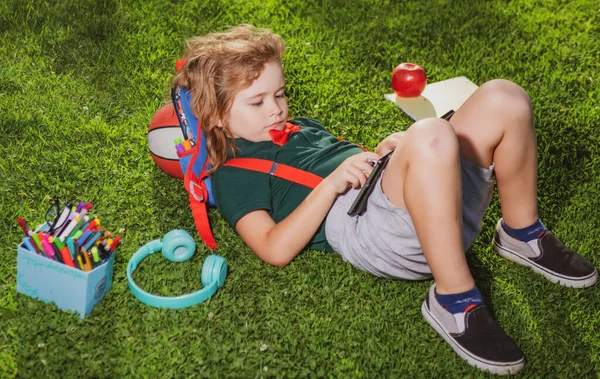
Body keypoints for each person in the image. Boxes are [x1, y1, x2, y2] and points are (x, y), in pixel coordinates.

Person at [171, 24, 598, 375]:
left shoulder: (299, 126)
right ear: (218, 117)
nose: (277, 109)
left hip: (402, 198)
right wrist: (334, 183)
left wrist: (383, 153)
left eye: (280, 93)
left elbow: (353, 164)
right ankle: (454, 300)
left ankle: (520, 232)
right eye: (258, 101)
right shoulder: (234, 172)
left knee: (504, 97)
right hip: (370, 230)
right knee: (430, 134)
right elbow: (273, 248)